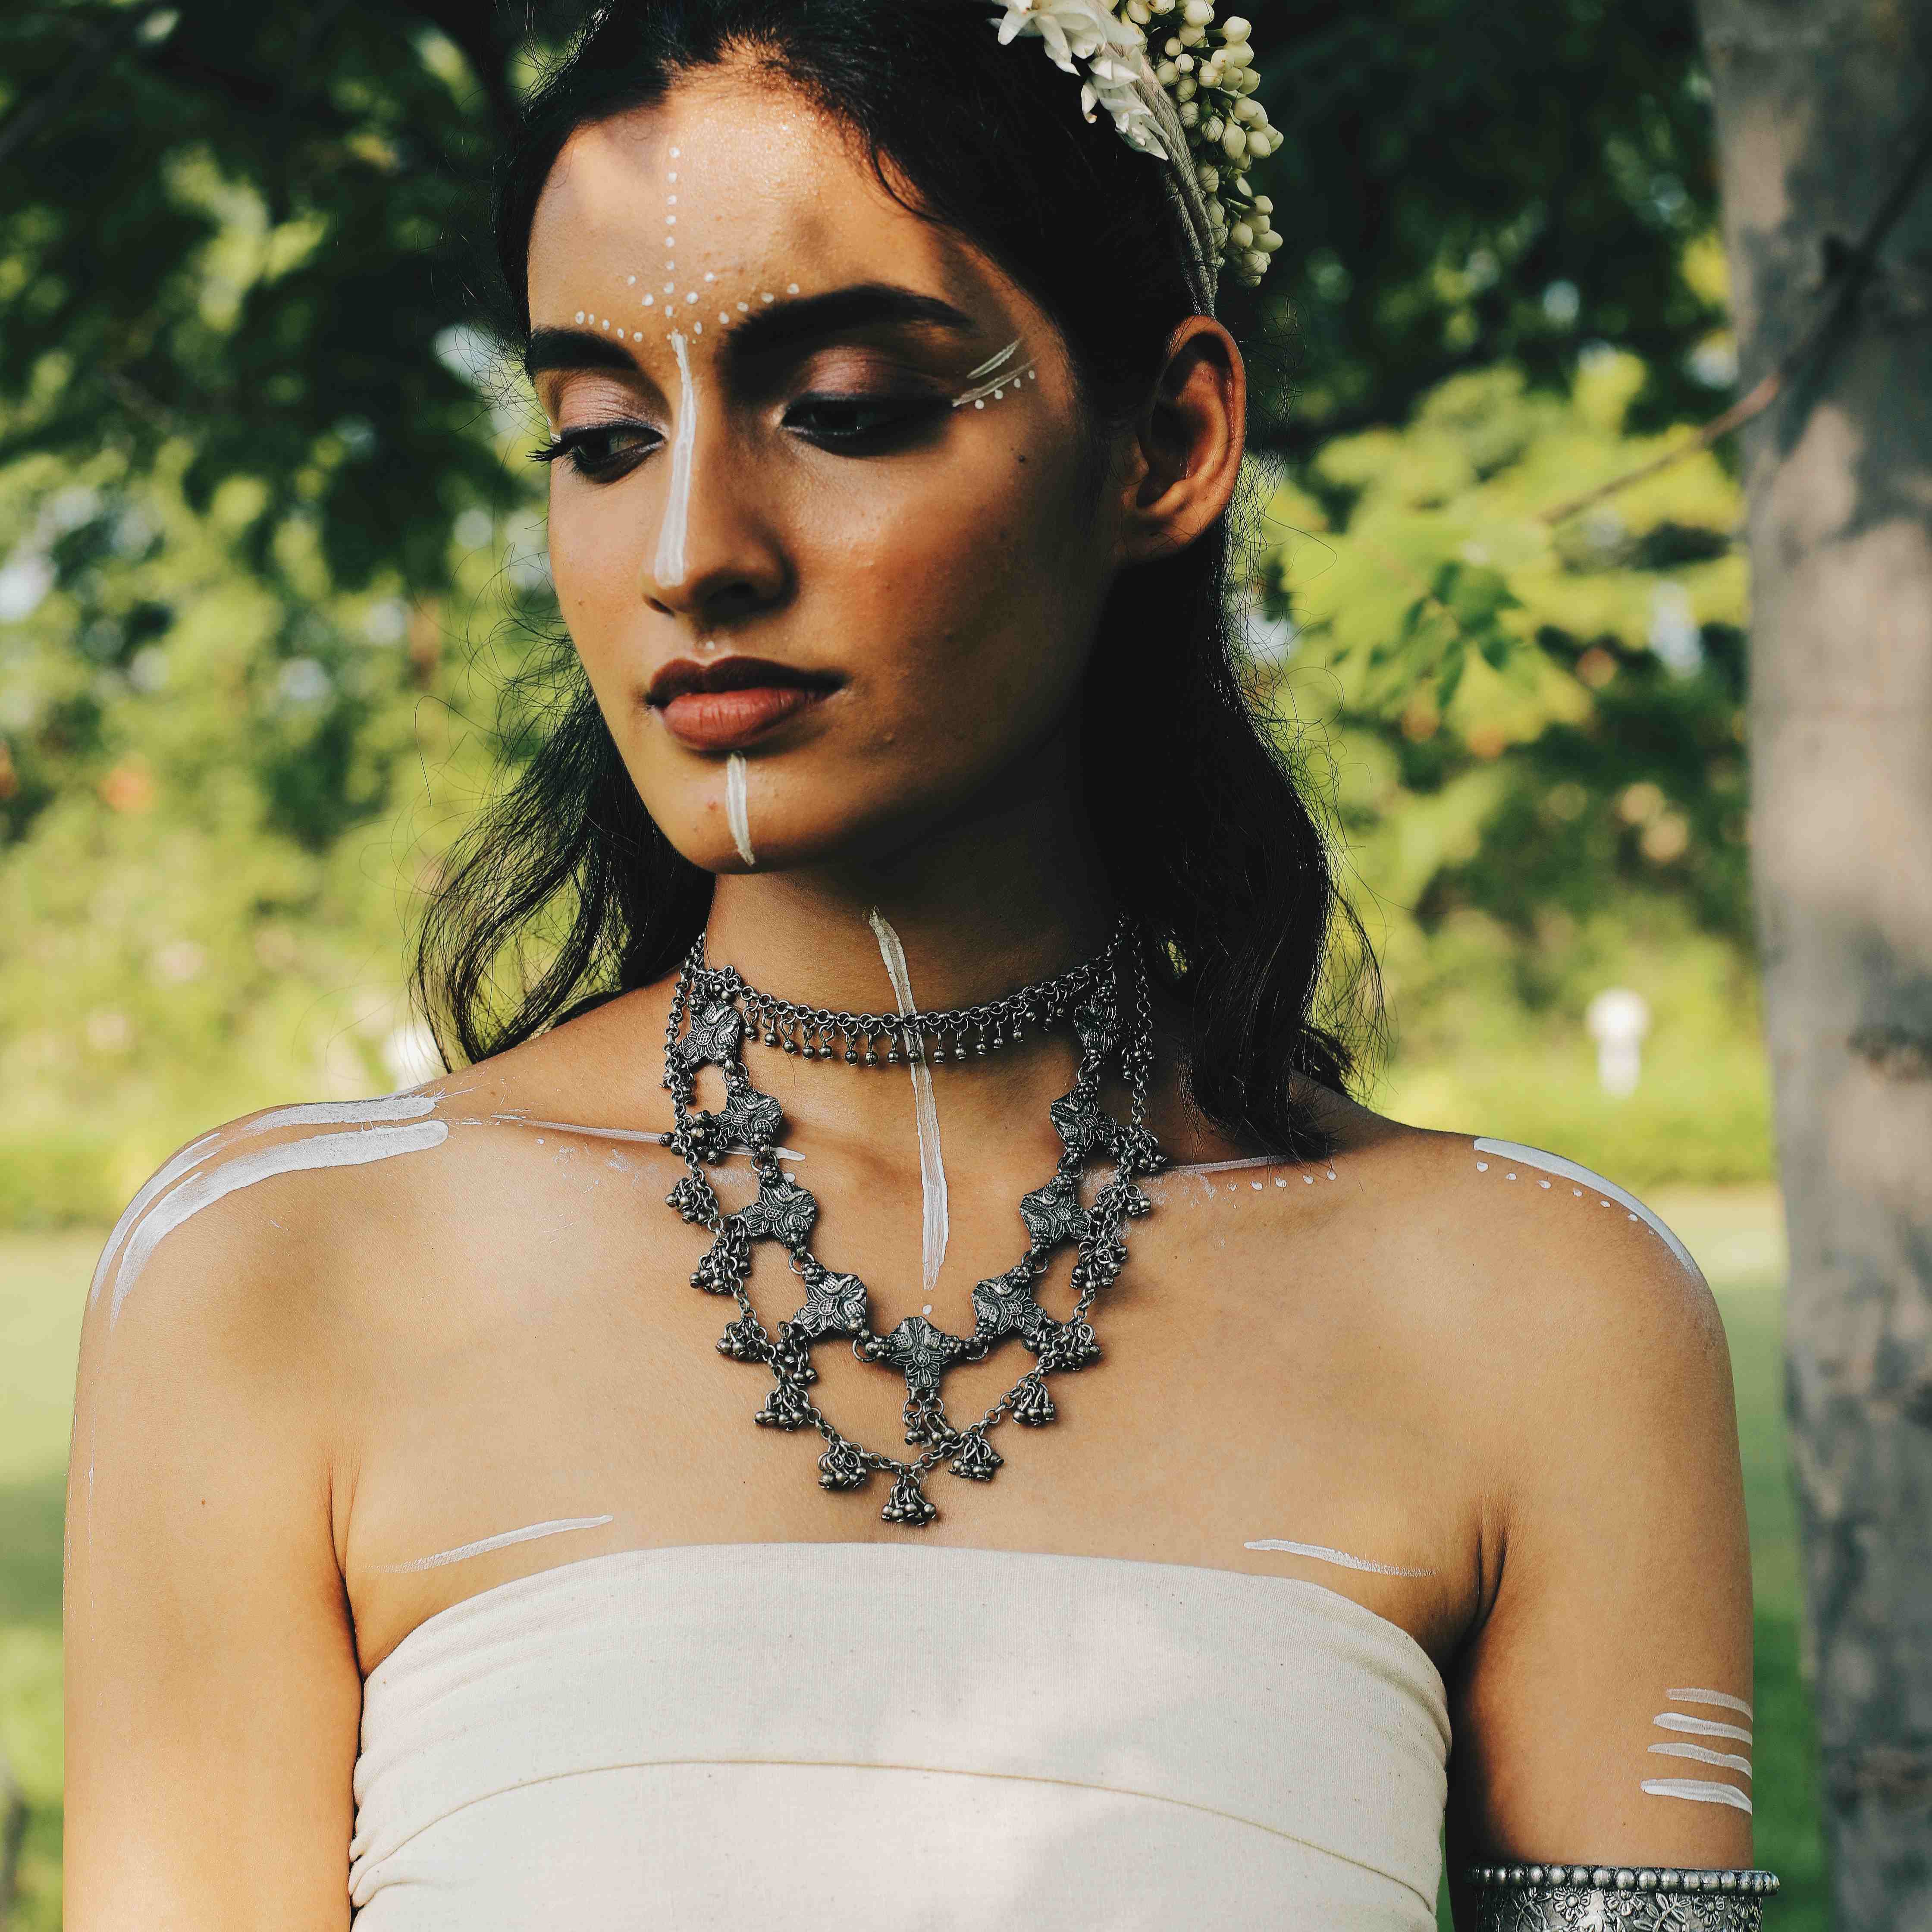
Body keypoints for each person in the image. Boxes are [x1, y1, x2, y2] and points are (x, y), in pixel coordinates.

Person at [63, 3, 1777, 1926]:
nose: (688, 552)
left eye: (848, 406)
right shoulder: (274, 1281)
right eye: (604, 439)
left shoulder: (1546, 1321)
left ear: (1169, 441)